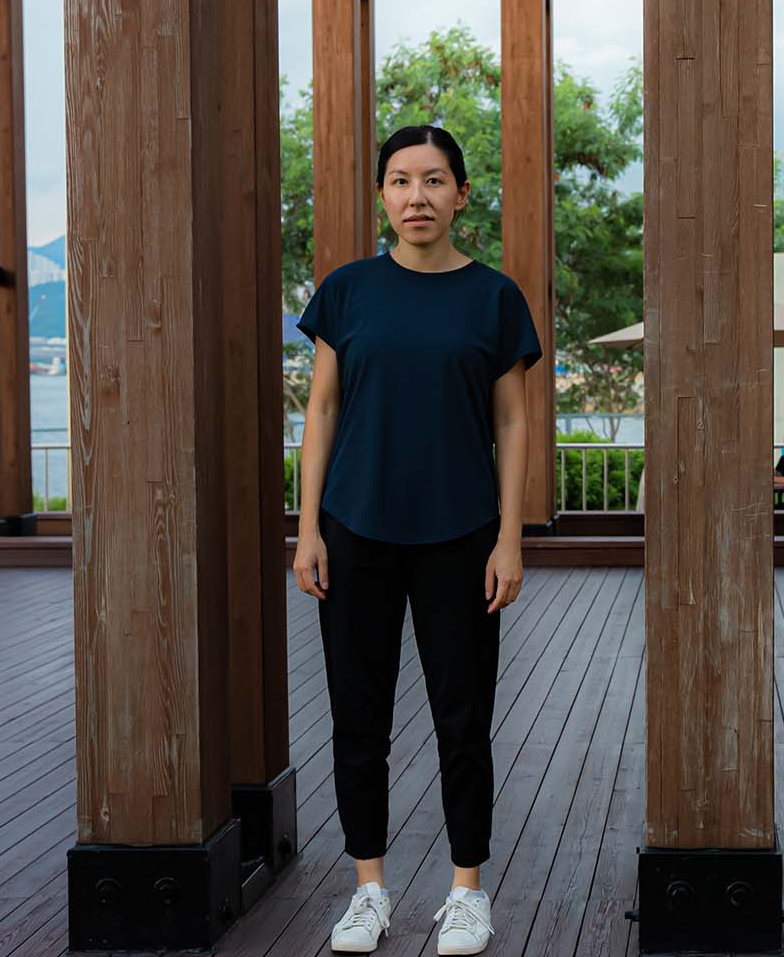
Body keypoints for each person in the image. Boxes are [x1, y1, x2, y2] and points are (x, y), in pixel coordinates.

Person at [292, 124, 542, 956]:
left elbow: (513, 422)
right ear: (382, 195)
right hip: (354, 530)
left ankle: (467, 891)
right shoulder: (347, 291)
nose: (417, 197)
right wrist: (307, 530)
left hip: (462, 535)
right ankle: (369, 889)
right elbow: (322, 410)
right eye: (400, 181)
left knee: (463, 720)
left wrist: (510, 538)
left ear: (462, 195)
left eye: (434, 180)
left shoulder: (494, 298)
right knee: (358, 721)